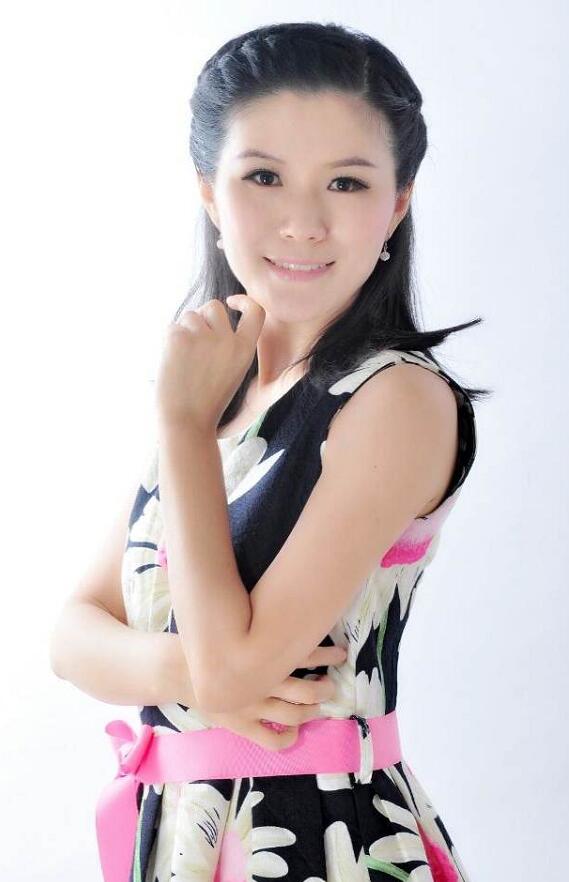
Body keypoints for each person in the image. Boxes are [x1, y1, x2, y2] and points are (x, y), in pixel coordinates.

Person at [52, 20, 492, 882]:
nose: (302, 222)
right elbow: (72, 637)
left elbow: (232, 673)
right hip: (183, 840)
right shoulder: (216, 394)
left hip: (320, 838)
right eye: (263, 176)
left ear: (397, 203)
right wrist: (188, 671)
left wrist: (181, 427)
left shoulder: (394, 398)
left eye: (345, 182)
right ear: (210, 193)